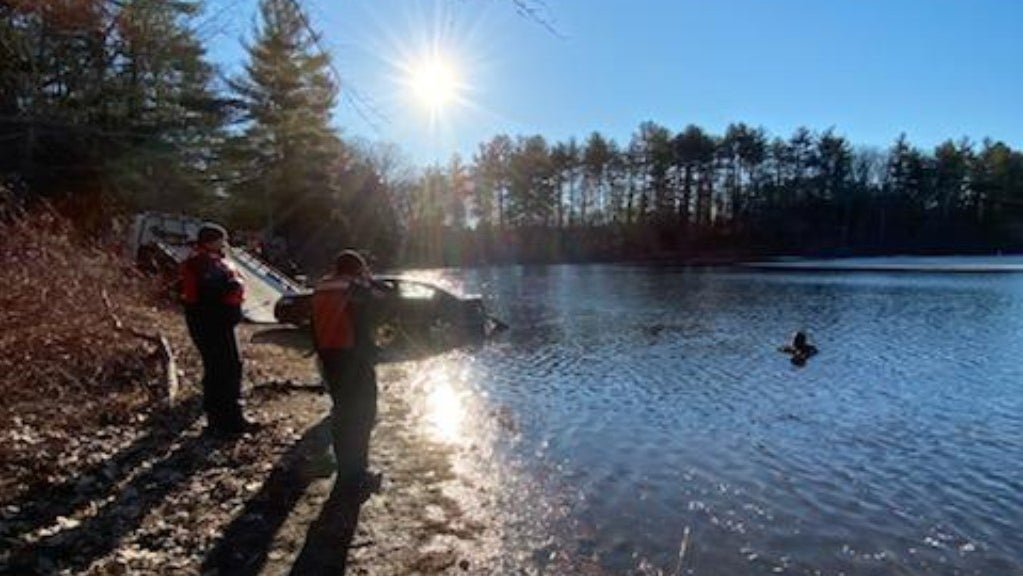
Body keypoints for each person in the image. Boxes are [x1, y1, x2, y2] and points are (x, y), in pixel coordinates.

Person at [311, 249, 393, 498]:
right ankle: (356, 475)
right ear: (358, 268)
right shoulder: (357, 288)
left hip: (328, 355)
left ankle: (346, 469)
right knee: (362, 414)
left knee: (342, 411)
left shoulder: (322, 287)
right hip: (354, 357)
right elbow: (383, 304)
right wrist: (369, 281)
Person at [180, 223, 255, 435]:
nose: (225, 243)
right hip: (211, 325)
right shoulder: (199, 262)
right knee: (223, 370)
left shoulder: (214, 261)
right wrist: (231, 287)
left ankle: (226, 418)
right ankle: (227, 421)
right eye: (222, 239)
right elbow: (207, 293)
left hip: (220, 323)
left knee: (226, 368)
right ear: (212, 241)